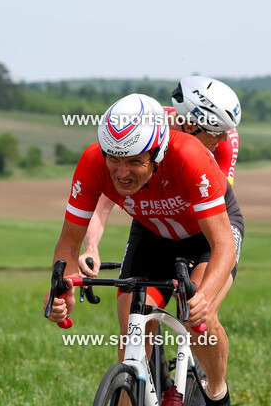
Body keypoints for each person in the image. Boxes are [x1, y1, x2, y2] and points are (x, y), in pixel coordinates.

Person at [43, 93, 243, 406]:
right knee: (130, 335)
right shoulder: (94, 162)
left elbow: (223, 244)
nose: (121, 172)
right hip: (151, 238)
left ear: (157, 150)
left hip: (207, 236)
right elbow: (68, 242)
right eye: (115, 161)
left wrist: (204, 294)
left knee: (198, 316)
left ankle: (216, 394)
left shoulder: (189, 157)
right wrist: (61, 288)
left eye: (133, 161)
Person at [79, 76, 242, 277]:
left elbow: (217, 203)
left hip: (201, 226)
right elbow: (104, 202)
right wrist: (91, 248)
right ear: (190, 126)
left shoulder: (224, 144)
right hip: (154, 224)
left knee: (200, 302)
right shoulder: (144, 129)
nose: (223, 137)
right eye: (217, 132)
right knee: (132, 306)